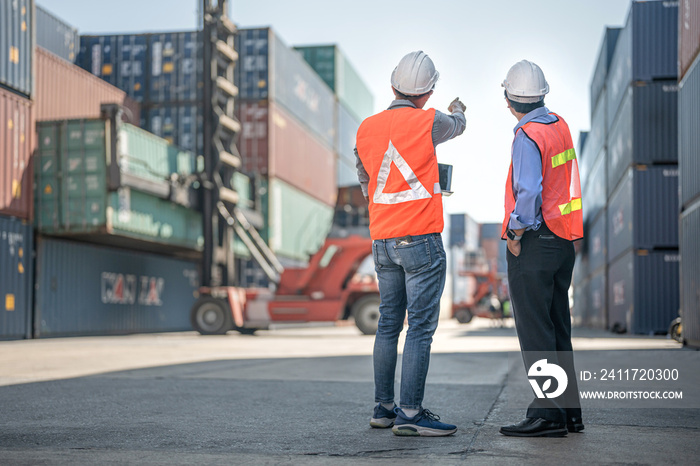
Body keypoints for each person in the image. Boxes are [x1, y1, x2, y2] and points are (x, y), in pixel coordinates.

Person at [354, 51, 466, 437]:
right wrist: (458, 109)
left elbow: (367, 180)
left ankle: (384, 409)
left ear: (392, 85)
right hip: (419, 238)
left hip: (382, 241)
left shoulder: (366, 128)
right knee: (418, 327)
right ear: (429, 92)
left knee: (388, 325)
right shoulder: (431, 120)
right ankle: (412, 414)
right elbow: (458, 125)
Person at [497, 60, 584, 438]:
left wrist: (515, 233)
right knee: (557, 329)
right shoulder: (559, 126)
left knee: (535, 332)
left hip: (535, 242)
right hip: (564, 240)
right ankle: (569, 413)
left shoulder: (526, 136)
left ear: (508, 99)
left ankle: (547, 415)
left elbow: (529, 192)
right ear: (543, 95)